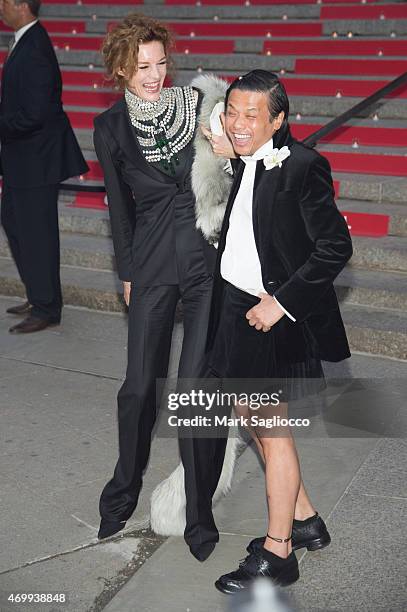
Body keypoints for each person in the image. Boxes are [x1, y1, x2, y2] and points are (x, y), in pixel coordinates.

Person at [202, 70, 353, 592]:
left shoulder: (304, 167)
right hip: (236, 310)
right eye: (232, 112)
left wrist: (281, 304)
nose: (239, 124)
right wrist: (229, 146)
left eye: (252, 116)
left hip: (274, 317)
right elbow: (238, 161)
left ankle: (279, 550)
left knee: (273, 430)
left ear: (279, 120)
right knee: (252, 419)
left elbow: (335, 247)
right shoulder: (246, 153)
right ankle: (306, 520)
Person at [93, 14, 234, 561]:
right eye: (141, 66)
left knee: (197, 390)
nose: (154, 75)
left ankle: (200, 514)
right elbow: (119, 211)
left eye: (160, 63)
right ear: (121, 70)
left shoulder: (199, 106)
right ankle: (123, 489)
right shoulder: (109, 129)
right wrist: (127, 271)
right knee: (138, 387)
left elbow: (234, 170)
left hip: (205, 263)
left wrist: (224, 155)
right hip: (151, 265)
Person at [0, 0, 88, 333]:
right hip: (21, 158)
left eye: (5, 1)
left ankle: (47, 306)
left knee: (38, 233)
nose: (1, 7)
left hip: (36, 159)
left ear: (21, 5)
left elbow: (35, 114)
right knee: (13, 220)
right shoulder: (25, 38)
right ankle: (38, 293)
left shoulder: (35, 45)